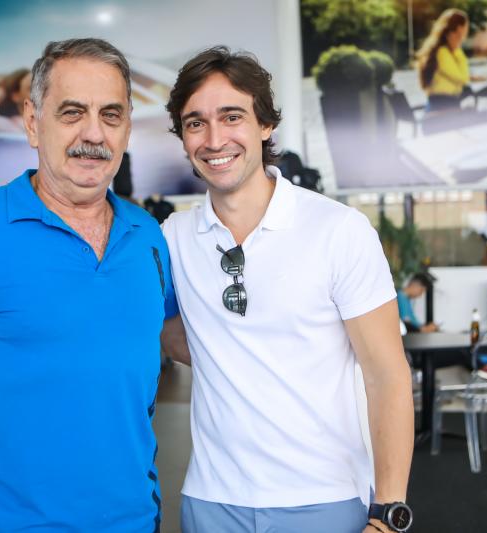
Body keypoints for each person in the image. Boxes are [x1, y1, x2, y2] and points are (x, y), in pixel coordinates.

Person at [0, 38, 177, 533]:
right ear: (32, 122)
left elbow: (186, 341)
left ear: (128, 126)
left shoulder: (148, 235)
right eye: (72, 112)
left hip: (137, 520)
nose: (94, 134)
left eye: (111, 115)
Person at [160, 47, 414, 533]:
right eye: (195, 123)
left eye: (232, 116)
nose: (214, 139)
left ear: (265, 124)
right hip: (212, 502)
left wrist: (388, 513)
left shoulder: (338, 230)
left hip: (323, 499)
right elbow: (169, 335)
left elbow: (387, 376)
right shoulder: (173, 238)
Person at [416, 8, 484, 113]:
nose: (464, 35)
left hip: (444, 107)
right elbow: (462, 78)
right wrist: (457, 49)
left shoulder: (442, 51)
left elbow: (457, 75)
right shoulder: (442, 53)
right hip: (443, 109)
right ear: (459, 29)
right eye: (465, 29)